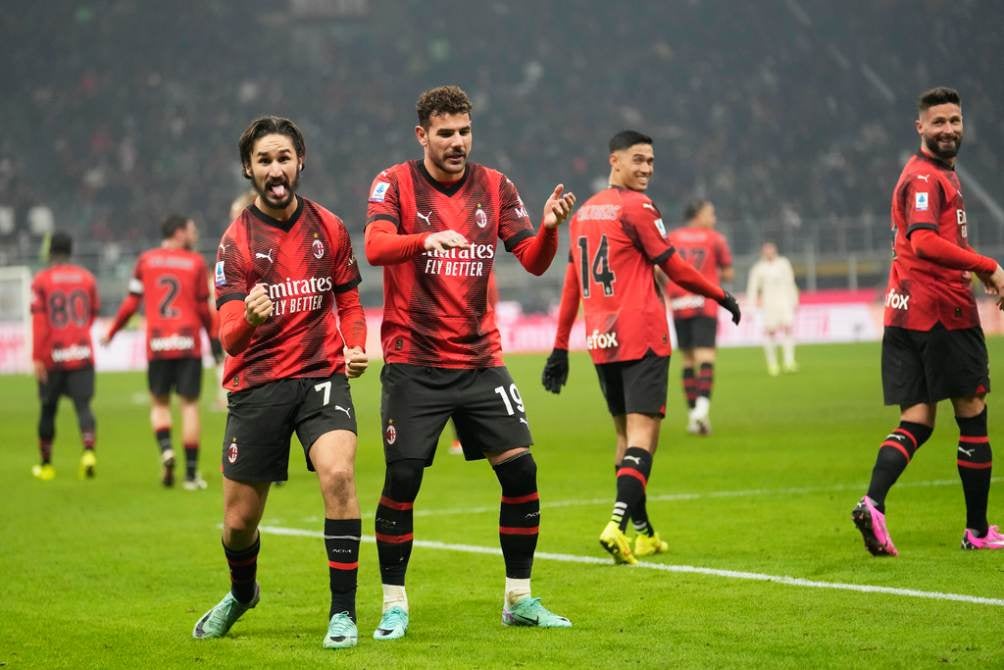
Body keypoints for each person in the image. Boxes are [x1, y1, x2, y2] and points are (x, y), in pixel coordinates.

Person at [364, 84, 576, 639]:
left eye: (464, 131)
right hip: (416, 361)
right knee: (403, 479)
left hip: (482, 360)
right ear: (422, 135)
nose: (457, 142)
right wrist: (426, 239)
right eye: (445, 133)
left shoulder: (497, 186)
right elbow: (376, 246)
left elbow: (531, 260)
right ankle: (393, 603)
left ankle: (519, 598)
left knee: (522, 471)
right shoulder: (394, 182)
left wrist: (550, 227)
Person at [191, 116, 369, 648]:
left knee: (338, 474)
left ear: (300, 161)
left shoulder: (331, 227)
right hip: (258, 384)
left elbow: (349, 300)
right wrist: (249, 315)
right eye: (264, 160)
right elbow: (228, 337)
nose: (275, 169)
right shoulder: (235, 243)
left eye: (283, 158)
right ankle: (243, 593)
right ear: (249, 168)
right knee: (239, 523)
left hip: (321, 377)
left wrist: (355, 343)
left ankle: (343, 613)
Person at [541, 130, 740, 565]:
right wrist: (721, 296)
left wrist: (560, 347)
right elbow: (676, 268)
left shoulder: (586, 212)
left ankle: (644, 532)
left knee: (625, 438)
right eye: (638, 160)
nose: (646, 168)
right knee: (644, 437)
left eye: (651, 161)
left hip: (601, 339)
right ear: (615, 160)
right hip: (643, 335)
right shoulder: (639, 207)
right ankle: (616, 525)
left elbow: (573, 283)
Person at [852, 86, 1004, 555]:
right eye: (938, 122)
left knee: (916, 420)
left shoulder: (934, 175)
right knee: (972, 414)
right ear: (919, 127)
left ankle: (873, 504)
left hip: (903, 312)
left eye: (954, 121)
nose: (948, 130)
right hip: (941, 313)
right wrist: (986, 265)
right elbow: (922, 241)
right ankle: (978, 531)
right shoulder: (925, 179)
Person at [103, 215, 214, 490]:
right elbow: (203, 308)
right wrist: (214, 337)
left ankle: (166, 449)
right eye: (191, 229)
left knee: (160, 404)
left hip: (158, 343)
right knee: (189, 406)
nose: (195, 234)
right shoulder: (196, 263)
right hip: (188, 343)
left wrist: (112, 331)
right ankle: (190, 475)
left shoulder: (146, 260)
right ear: (179, 233)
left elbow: (131, 303)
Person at [29, 232, 100, 480]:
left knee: (48, 409)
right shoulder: (86, 278)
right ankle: (89, 451)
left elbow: (39, 322)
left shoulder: (41, 280)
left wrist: (37, 357)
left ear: (50, 251)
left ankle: (46, 465)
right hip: (81, 352)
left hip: (52, 356)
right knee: (83, 406)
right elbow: (92, 313)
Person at [665, 199, 734, 435]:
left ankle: (694, 417)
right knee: (706, 358)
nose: (713, 219)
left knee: (687, 361)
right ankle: (700, 413)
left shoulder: (672, 237)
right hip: (704, 304)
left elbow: (658, 269)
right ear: (699, 215)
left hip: (678, 303)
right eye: (710, 214)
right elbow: (728, 274)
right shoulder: (715, 239)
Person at [746, 241, 799, 376]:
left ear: (775, 250)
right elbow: (753, 288)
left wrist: (795, 300)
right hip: (769, 304)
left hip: (784, 302)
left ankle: (789, 361)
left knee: (788, 328)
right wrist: (750, 305)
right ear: (763, 252)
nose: (769, 253)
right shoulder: (758, 268)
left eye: (771, 250)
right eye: (766, 250)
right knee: (770, 332)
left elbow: (791, 282)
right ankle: (773, 364)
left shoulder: (783, 263)